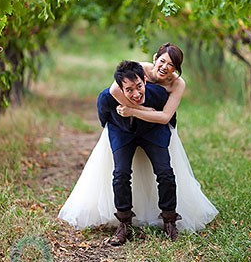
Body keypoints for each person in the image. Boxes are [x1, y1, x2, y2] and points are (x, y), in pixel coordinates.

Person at [59, 44, 218, 244]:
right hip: (123, 127)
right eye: (162, 61)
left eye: (171, 65)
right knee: (121, 173)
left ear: (176, 68)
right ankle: (124, 223)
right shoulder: (139, 70)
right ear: (154, 59)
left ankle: (169, 220)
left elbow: (165, 117)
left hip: (154, 127)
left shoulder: (177, 84)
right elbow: (113, 90)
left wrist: (136, 111)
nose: (165, 67)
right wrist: (140, 108)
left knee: (165, 172)